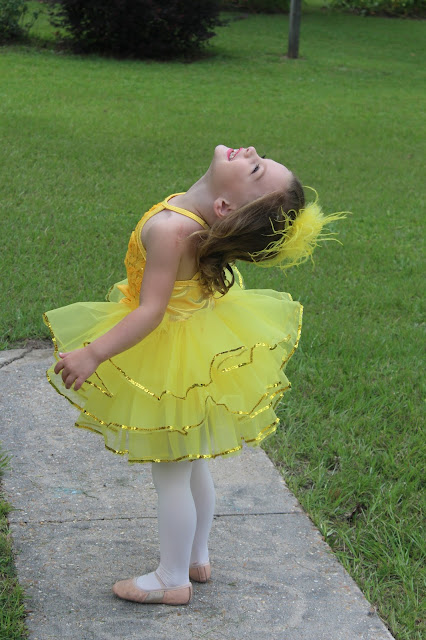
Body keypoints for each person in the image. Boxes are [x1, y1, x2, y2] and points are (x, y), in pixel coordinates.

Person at [43, 145, 344, 606]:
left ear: (224, 207)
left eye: (256, 168)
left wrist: (94, 353)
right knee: (194, 461)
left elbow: (150, 312)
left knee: (170, 476)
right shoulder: (197, 219)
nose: (252, 152)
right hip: (200, 351)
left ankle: (172, 578)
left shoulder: (172, 229)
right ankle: (196, 557)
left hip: (173, 362)